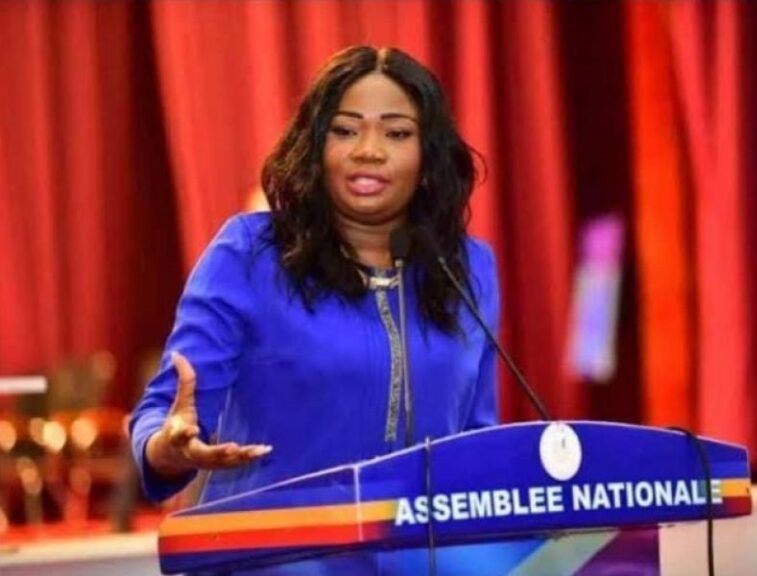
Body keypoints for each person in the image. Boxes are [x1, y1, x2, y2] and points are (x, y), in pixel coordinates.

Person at [129, 45, 499, 574]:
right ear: (314, 144)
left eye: (396, 133)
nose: (369, 151)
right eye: (345, 130)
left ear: (429, 155)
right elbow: (166, 414)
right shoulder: (250, 253)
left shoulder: (467, 268)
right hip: (269, 563)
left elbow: (478, 440)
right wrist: (168, 447)